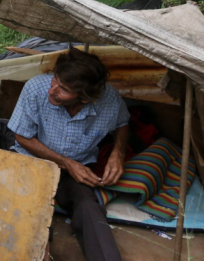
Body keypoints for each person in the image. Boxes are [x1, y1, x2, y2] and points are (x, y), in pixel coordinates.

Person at [7, 47, 129, 261]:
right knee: (22, 213)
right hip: (34, 164)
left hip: (77, 171)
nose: (52, 90)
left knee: (89, 208)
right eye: (55, 80)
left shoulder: (108, 100)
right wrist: (66, 162)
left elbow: (122, 123)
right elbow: (22, 137)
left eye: (63, 89)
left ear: (85, 97)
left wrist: (117, 153)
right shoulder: (36, 88)